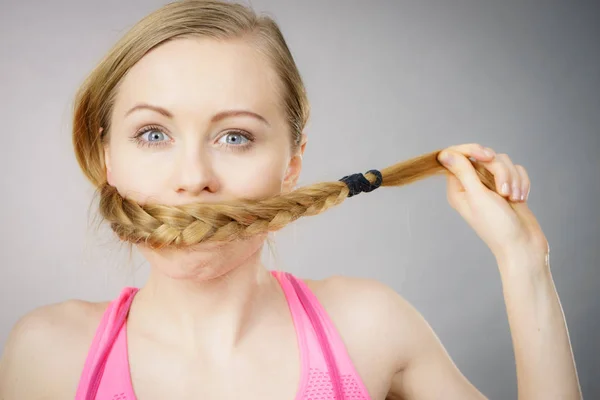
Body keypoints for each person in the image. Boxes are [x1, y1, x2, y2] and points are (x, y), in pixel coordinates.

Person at [0, 1, 581, 399]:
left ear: (292, 166)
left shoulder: (370, 327)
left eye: (236, 137)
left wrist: (525, 263)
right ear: (108, 159)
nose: (194, 177)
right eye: (154, 133)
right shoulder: (48, 354)